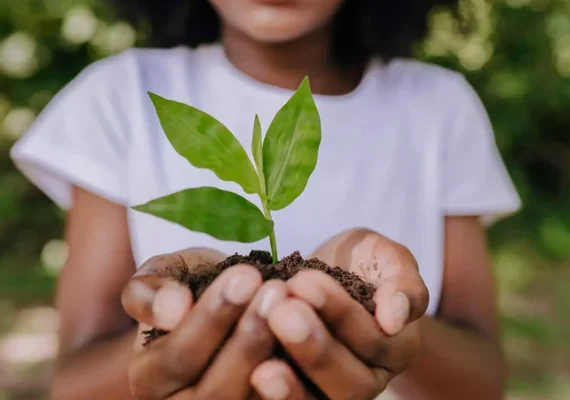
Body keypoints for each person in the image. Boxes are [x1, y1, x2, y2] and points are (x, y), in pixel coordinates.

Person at [10, 0, 521, 399]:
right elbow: (73, 384)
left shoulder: (437, 107)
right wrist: (178, 337)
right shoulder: (119, 98)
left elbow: (482, 383)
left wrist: (390, 323)